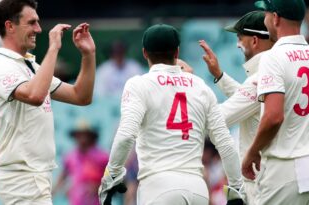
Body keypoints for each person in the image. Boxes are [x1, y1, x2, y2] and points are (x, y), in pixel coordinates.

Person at [98, 24, 243, 205]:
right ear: (177, 52)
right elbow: (225, 143)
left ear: (145, 53)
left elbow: (126, 135)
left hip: (158, 187)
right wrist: (236, 188)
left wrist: (111, 176)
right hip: (198, 189)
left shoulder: (139, 85)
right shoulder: (201, 87)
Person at [0, 0, 96, 204]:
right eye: (32, 23)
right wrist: (54, 47)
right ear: (10, 26)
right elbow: (34, 96)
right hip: (21, 178)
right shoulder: (0, 66)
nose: (38, 29)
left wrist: (88, 55)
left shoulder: (30, 66)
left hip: (34, 176)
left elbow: (81, 96)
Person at [242, 0, 309, 204]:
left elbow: (273, 117)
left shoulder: (273, 57)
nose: (266, 18)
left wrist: (252, 152)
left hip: (286, 169)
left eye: (266, 14)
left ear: (276, 17)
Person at [199, 11, 273, 205]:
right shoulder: (275, 71)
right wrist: (220, 76)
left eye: (240, 38)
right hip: (273, 178)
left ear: (255, 40)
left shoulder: (261, 77)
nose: (237, 44)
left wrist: (190, 94)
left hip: (260, 185)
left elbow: (218, 119)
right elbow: (248, 100)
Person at [53, 119, 108, 205]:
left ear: (91, 136)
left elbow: (113, 179)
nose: (82, 138)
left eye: (85, 134)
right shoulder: (70, 157)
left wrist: (98, 186)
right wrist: (55, 192)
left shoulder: (102, 157)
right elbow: (62, 177)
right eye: (79, 135)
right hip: (76, 201)